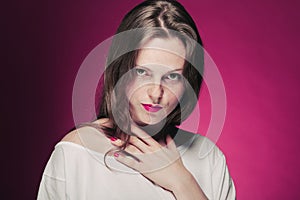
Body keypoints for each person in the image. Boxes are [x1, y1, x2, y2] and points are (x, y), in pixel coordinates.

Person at [37, 0, 236, 199]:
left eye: (172, 76)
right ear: (120, 69)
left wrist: (182, 182)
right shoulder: (75, 154)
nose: (156, 92)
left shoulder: (208, 157)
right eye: (142, 72)